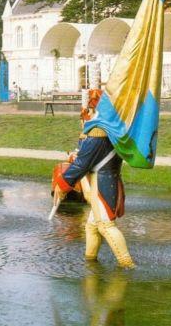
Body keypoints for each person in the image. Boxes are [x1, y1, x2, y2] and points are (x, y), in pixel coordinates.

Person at [53, 91, 133, 268]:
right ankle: (91, 262)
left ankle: (128, 265)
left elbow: (82, 164)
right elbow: (86, 157)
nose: (88, 110)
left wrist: (63, 185)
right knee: (92, 226)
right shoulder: (109, 126)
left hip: (103, 183)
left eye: (91, 106)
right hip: (105, 179)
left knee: (105, 225)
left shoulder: (99, 131)